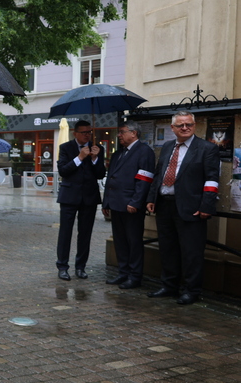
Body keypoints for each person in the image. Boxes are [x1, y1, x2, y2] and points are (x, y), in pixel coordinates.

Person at [146, 112, 220, 305]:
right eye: (180, 125)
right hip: (165, 206)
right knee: (168, 249)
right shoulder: (168, 147)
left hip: (192, 209)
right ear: (173, 128)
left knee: (191, 252)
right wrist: (152, 198)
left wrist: (206, 206)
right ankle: (169, 286)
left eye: (189, 124)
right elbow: (159, 174)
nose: (185, 128)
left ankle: (191, 291)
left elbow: (212, 180)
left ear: (194, 126)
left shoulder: (207, 148)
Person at [101, 121, 156, 289]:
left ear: (134, 133)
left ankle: (135, 276)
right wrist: (106, 202)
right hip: (116, 204)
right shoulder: (118, 154)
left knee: (133, 242)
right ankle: (123, 272)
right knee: (120, 241)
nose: (119, 135)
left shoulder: (144, 152)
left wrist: (136, 202)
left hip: (131, 206)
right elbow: (110, 178)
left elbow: (145, 180)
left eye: (122, 132)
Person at [55, 120, 107, 280]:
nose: (87, 135)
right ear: (75, 133)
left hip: (89, 197)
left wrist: (94, 159)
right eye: (84, 132)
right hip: (69, 197)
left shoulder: (97, 148)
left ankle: (80, 266)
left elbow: (100, 174)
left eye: (89, 132)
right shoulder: (66, 148)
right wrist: (80, 157)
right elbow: (63, 171)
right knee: (65, 233)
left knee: (85, 234)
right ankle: (62, 266)